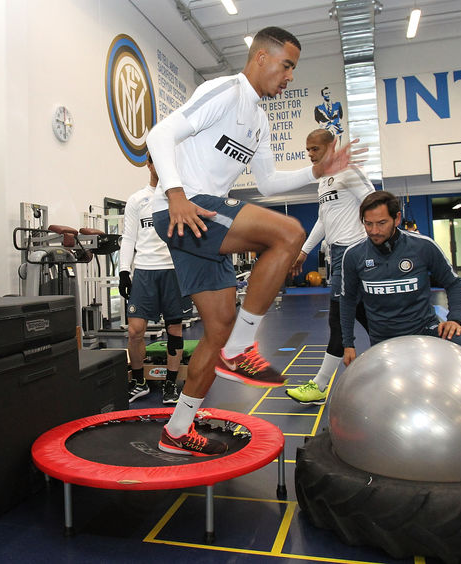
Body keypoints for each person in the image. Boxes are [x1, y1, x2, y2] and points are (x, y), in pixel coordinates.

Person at [147, 26, 360, 456]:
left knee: (217, 329)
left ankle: (177, 429)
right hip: (183, 207)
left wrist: (316, 172)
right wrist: (176, 195)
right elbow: (159, 135)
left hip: (201, 219)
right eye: (287, 66)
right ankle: (242, 348)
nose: (290, 77)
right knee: (290, 233)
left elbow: (267, 183)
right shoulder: (226, 91)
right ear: (261, 57)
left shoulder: (259, 121)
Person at [285, 129, 374, 405]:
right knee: (366, 316)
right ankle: (399, 358)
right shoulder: (323, 180)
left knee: (339, 319)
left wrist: (372, 247)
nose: (310, 154)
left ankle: (320, 386)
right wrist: (304, 251)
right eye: (308, 150)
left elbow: (374, 203)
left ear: (332, 146)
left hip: (354, 253)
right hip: (337, 255)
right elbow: (323, 220)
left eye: (315, 149)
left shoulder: (349, 172)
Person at [340, 191, 461, 367]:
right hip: (383, 338)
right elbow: (347, 300)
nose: (374, 231)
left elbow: (454, 283)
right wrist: (348, 344)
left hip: (424, 330)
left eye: (381, 223)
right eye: (368, 224)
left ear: (397, 219)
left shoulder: (423, 246)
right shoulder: (353, 255)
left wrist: (454, 319)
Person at [118, 154, 192, 405]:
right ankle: (139, 382)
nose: (159, 166)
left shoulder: (180, 198)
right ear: (149, 164)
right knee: (135, 330)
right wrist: (124, 271)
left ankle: (171, 385)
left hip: (173, 271)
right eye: (155, 161)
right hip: (145, 271)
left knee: (174, 329)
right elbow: (129, 238)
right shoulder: (137, 200)